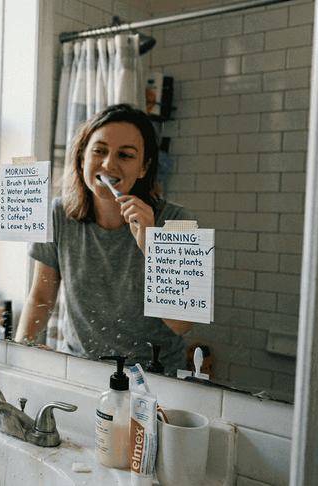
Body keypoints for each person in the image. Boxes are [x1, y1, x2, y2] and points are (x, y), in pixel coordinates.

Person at [13, 103, 193, 375]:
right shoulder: (56, 215)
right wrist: (19, 356)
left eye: (125, 155)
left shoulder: (178, 221)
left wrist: (152, 247)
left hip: (156, 381)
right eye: (99, 151)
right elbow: (41, 296)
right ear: (82, 157)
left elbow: (182, 324)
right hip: (80, 370)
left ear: (144, 168)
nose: (109, 163)